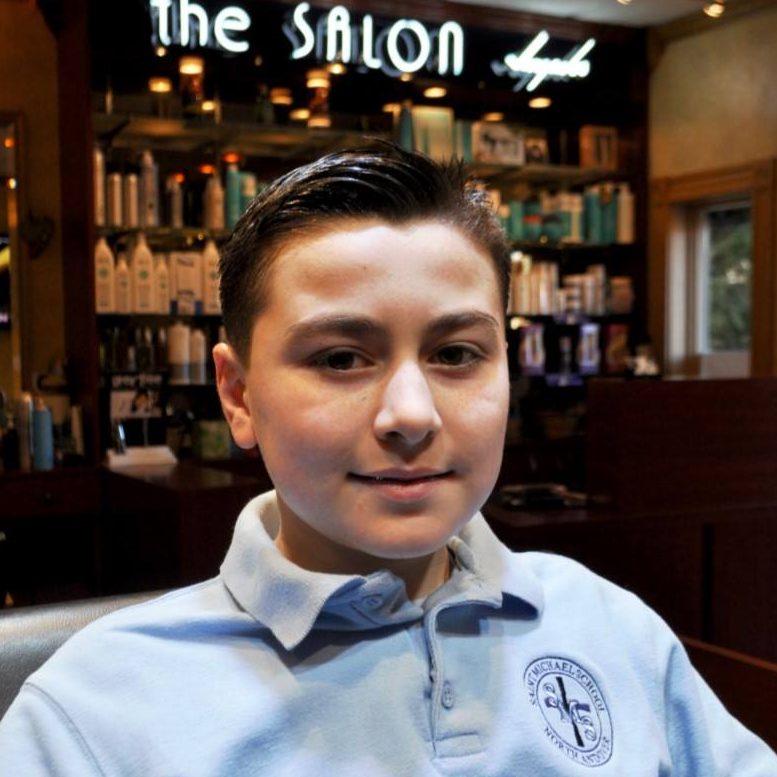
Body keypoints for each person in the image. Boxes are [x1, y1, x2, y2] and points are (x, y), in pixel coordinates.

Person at [0, 143, 775, 775]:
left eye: (455, 352)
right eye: (340, 357)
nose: (411, 413)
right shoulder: (94, 714)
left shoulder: (611, 627)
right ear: (236, 394)